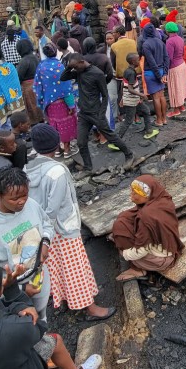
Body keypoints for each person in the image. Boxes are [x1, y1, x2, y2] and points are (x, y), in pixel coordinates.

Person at [0, 254, 101, 369]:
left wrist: (14, 305)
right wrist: (13, 290)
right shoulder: (15, 330)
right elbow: (37, 327)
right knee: (54, 340)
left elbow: (0, 310)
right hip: (13, 355)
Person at [25, 124, 116, 321]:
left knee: (57, 265)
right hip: (62, 227)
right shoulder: (57, 170)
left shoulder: (28, 167)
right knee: (75, 267)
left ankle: (65, 297)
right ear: (56, 143)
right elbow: (55, 206)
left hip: (44, 229)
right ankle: (90, 308)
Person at [0, 168, 53, 321]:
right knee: (24, 325)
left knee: (41, 316)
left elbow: (47, 224)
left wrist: (45, 245)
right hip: (12, 293)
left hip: (39, 276)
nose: (21, 201)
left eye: (25, 195)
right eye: (14, 199)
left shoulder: (31, 205)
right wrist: (19, 289)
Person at [62, 55, 135, 172]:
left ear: (82, 62)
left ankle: (129, 154)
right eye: (73, 67)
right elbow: (63, 77)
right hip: (83, 114)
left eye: (75, 66)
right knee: (81, 142)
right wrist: (69, 66)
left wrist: (101, 114)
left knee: (111, 136)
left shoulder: (97, 74)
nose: (74, 69)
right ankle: (88, 167)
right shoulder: (79, 71)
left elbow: (105, 95)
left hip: (96, 113)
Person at [112, 175, 183, 281]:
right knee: (124, 219)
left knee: (122, 242)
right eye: (132, 191)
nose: (131, 196)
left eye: (135, 193)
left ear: (146, 196)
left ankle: (138, 269)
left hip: (162, 260)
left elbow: (141, 251)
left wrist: (124, 254)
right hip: (169, 246)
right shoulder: (163, 199)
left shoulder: (146, 217)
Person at [33, 44, 76, 159]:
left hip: (49, 103)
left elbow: (37, 86)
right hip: (62, 102)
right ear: (56, 52)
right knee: (64, 125)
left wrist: (41, 102)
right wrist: (71, 105)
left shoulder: (41, 67)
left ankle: (57, 150)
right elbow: (66, 87)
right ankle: (67, 150)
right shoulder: (59, 66)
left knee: (54, 125)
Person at [117, 52, 157, 140]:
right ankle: (117, 140)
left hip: (134, 99)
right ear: (133, 61)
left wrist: (122, 98)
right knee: (128, 120)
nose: (139, 61)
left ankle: (149, 131)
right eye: (138, 60)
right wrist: (142, 95)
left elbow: (123, 84)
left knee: (146, 110)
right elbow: (130, 89)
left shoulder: (127, 71)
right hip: (131, 100)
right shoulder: (131, 73)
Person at [140, 23, 170, 124]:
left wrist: (158, 76)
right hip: (161, 71)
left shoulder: (146, 44)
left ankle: (159, 120)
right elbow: (166, 57)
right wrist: (164, 73)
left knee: (155, 98)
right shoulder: (160, 41)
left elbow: (151, 62)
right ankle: (164, 118)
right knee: (162, 95)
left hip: (151, 72)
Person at [15, 39, 45, 125]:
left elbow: (19, 76)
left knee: (32, 109)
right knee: (39, 106)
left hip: (29, 87)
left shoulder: (24, 61)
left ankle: (37, 126)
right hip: (38, 84)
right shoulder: (36, 57)